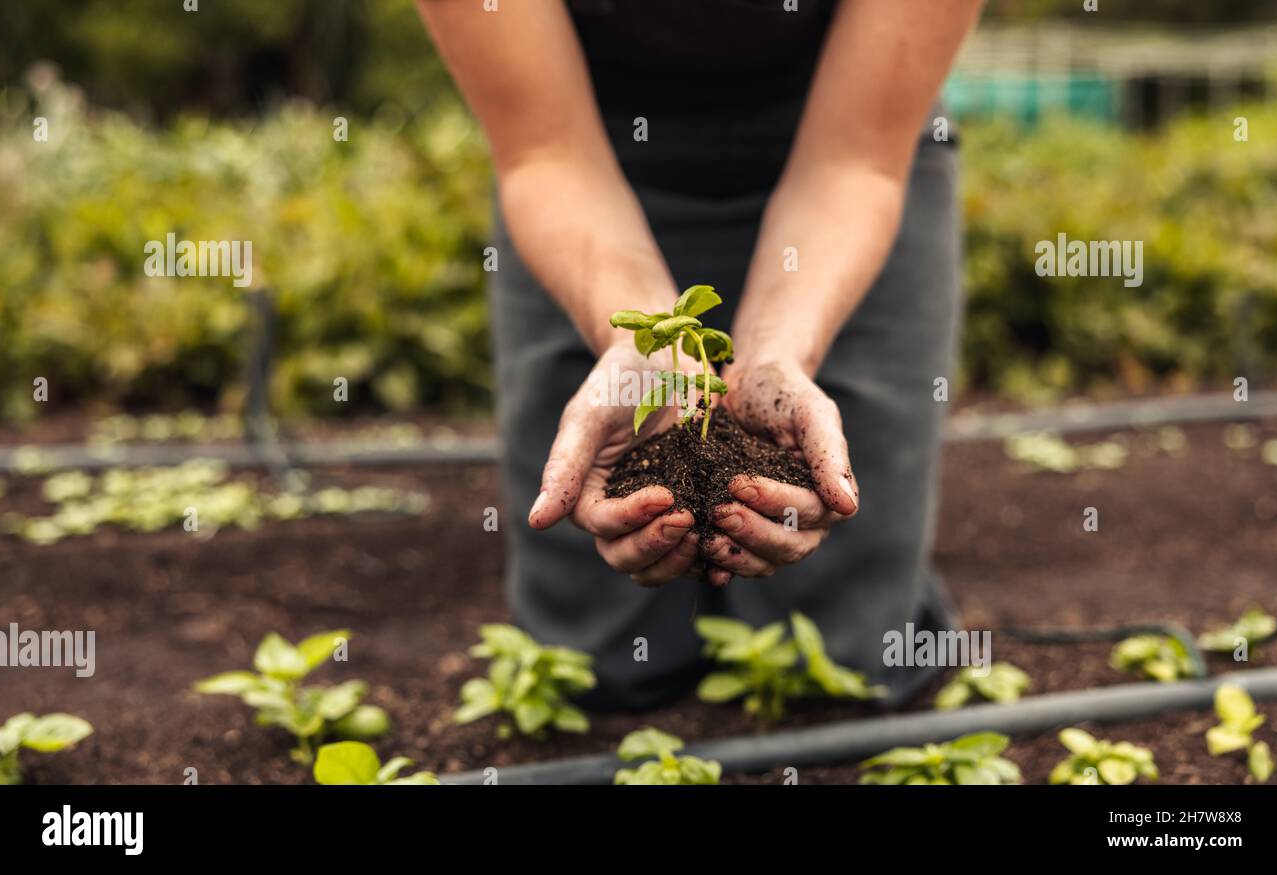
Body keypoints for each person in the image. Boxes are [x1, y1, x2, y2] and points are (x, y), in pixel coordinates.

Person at [415, 0, 984, 710]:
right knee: (592, 663)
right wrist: (639, 344)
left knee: (842, 660)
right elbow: (546, 152)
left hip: (850, 153)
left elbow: (854, 163)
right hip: (584, 156)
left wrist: (776, 358)